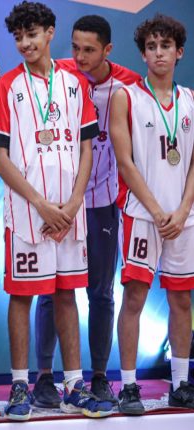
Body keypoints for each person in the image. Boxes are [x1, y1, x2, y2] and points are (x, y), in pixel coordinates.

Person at [0, 1, 113, 421]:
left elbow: (86, 148)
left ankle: (74, 385)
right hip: (28, 215)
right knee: (22, 295)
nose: (25, 43)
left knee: (66, 293)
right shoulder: (8, 86)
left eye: (32, 34)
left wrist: (74, 203)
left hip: (70, 213)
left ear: (50, 33)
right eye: (19, 37)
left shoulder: (74, 83)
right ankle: (19, 385)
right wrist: (41, 204)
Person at [32, 15, 140, 408]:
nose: (79, 56)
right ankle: (45, 378)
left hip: (100, 206)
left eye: (89, 50)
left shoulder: (129, 86)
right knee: (50, 290)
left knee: (101, 294)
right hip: (61, 205)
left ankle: (99, 378)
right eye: (75, 47)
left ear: (107, 50)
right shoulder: (57, 76)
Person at [110, 13, 194, 414]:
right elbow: (125, 162)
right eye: (151, 47)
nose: (158, 53)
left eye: (165, 46)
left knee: (182, 300)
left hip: (184, 217)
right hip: (142, 215)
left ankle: (181, 384)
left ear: (179, 53)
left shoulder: (191, 100)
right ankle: (129, 386)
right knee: (134, 298)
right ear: (143, 54)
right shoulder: (125, 97)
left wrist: (183, 208)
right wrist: (159, 210)